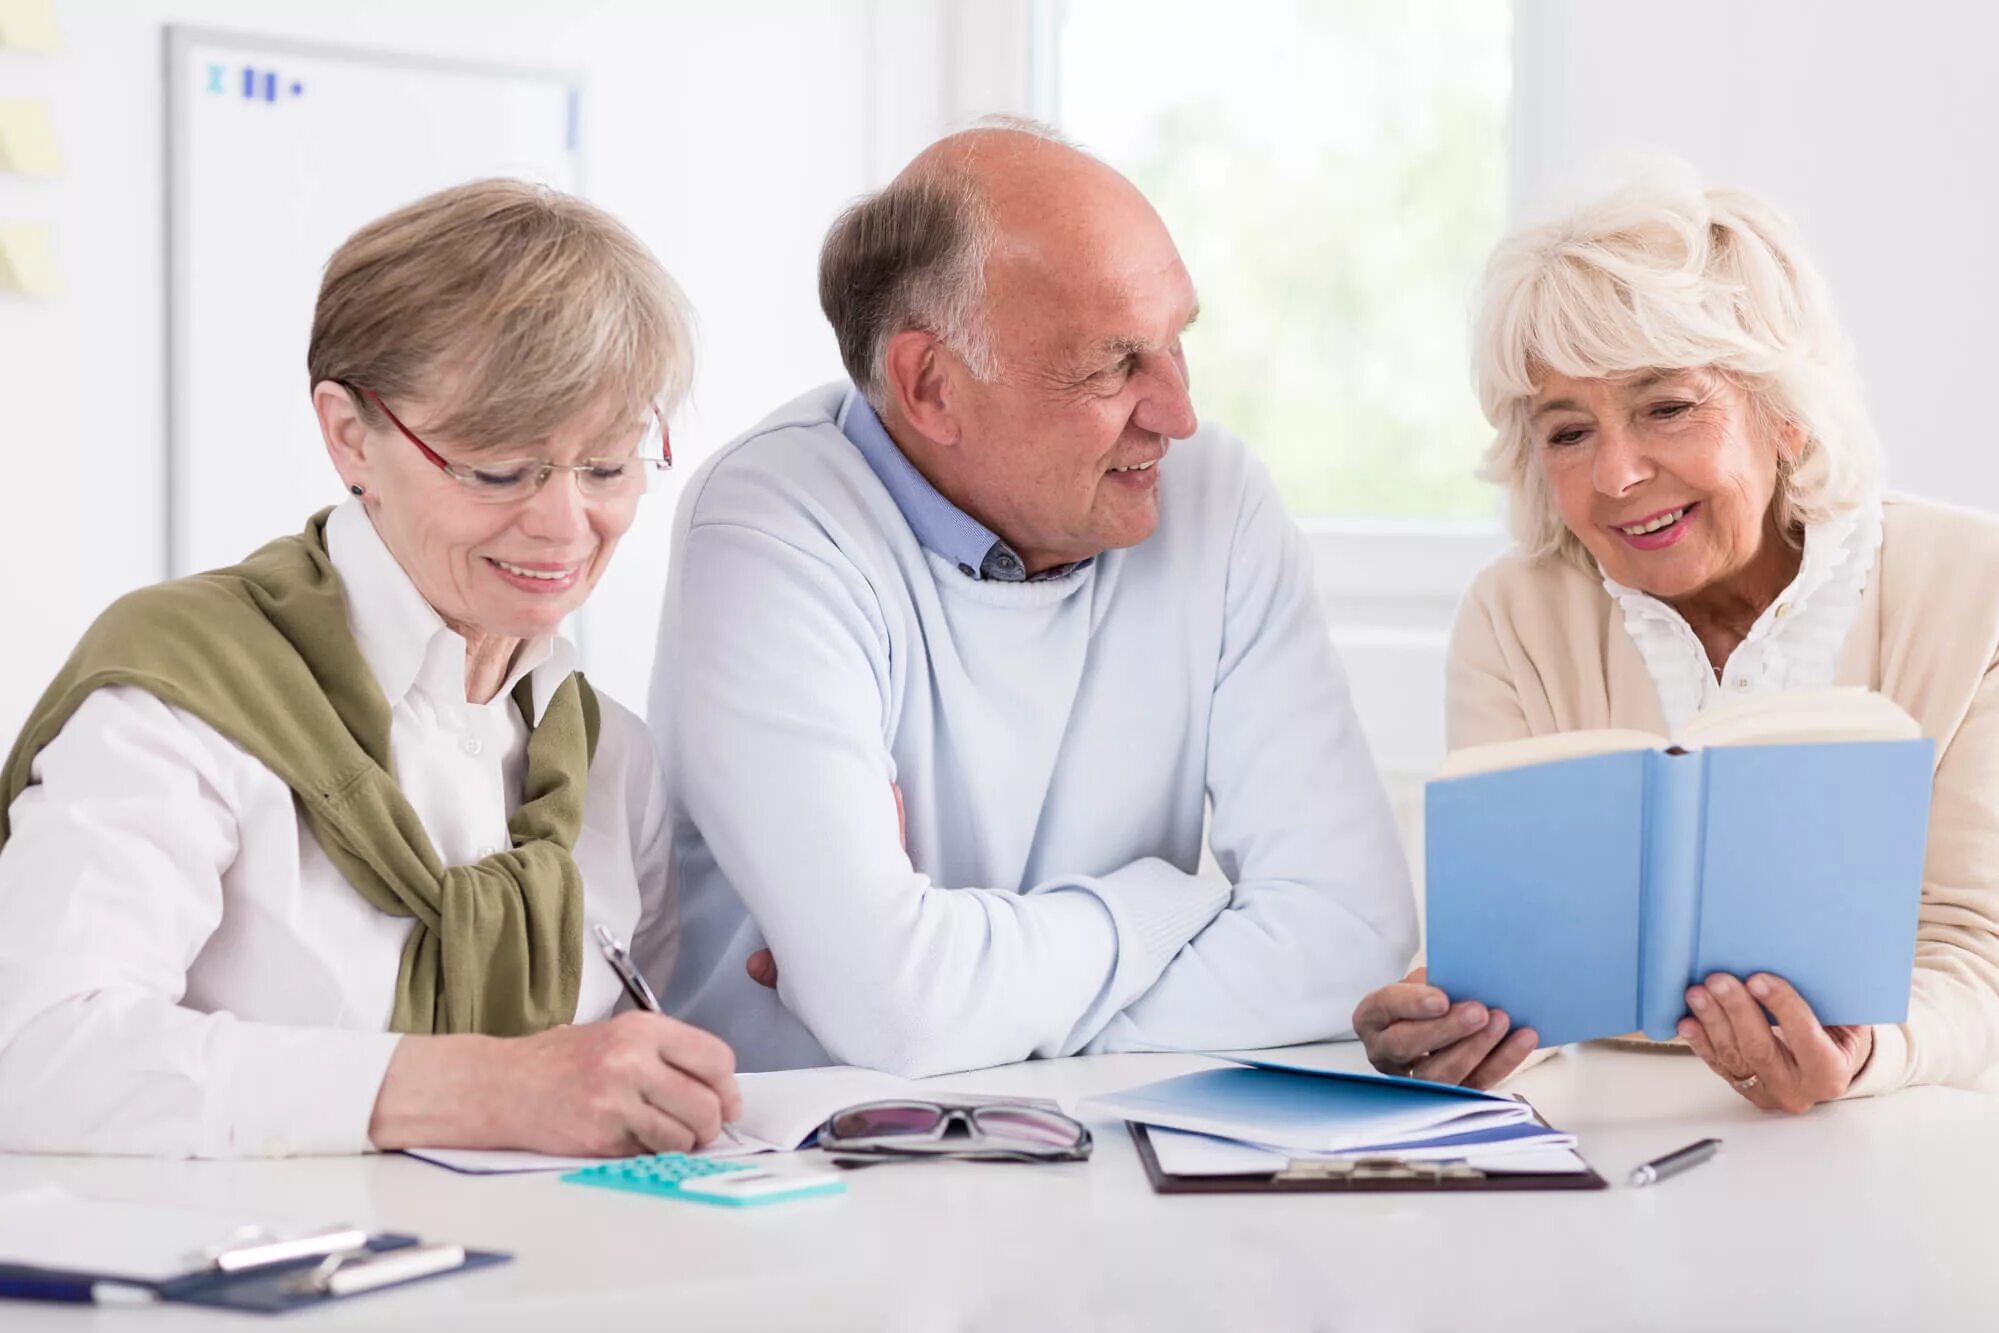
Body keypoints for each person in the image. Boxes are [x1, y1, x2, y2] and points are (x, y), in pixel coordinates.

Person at [650, 121, 1415, 1077]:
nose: (1175, 412)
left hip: (1107, 1159)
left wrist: (966, 1004)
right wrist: (1168, 902)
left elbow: (1351, 937)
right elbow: (899, 1012)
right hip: (810, 1169)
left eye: (1178, 343)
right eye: (1112, 363)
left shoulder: (1213, 500)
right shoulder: (772, 523)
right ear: (929, 384)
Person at [0, 180, 740, 1156]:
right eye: (499, 468)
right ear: (351, 434)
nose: (565, 525)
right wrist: (484, 1089)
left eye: (606, 466)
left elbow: (637, 1069)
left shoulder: (609, 758)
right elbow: (41, 1056)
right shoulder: (183, 697)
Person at [1354, 171, 1999, 1109]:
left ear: (1784, 410)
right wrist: (1449, 1019)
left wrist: (1862, 1053)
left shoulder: (1971, 587)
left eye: (1665, 407)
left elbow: (1975, 951)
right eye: (1568, 431)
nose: (1615, 475)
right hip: (1602, 1131)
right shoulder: (1513, 616)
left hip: (1894, 1136)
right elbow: (1512, 943)